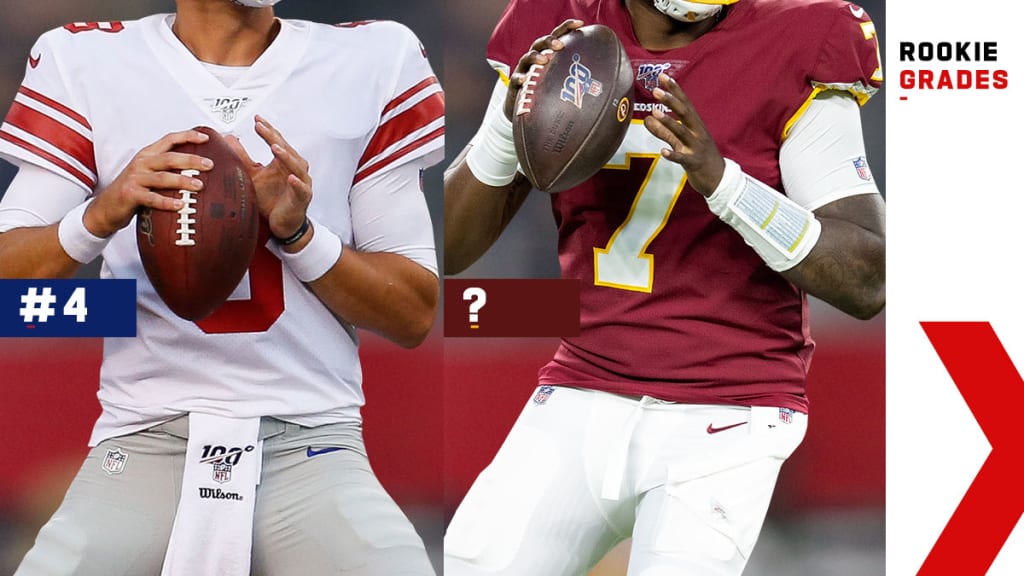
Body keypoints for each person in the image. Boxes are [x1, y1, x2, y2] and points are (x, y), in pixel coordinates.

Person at [0, 0, 443, 574]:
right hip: (143, 439)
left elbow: (412, 315)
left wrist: (301, 236)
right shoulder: (84, 58)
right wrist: (100, 217)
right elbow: (14, 297)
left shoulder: (374, 58)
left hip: (313, 443)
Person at [443, 0, 884, 574]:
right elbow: (447, 250)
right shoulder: (558, 20)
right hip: (584, 385)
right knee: (475, 563)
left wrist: (724, 183)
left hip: (730, 405)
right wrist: (509, 129)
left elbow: (867, 279)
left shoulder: (800, 31)